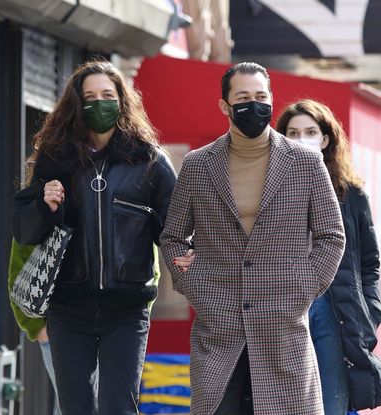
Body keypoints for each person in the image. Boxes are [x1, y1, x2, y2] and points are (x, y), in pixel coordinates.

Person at [160, 62, 346, 415]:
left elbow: (331, 236)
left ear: (272, 100)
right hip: (219, 327)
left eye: (261, 97)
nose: (254, 105)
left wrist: (303, 287)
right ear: (224, 106)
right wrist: (193, 283)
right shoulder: (199, 164)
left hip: (283, 327)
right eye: (243, 98)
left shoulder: (306, 162)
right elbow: (172, 237)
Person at [11, 59, 177, 415]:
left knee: (119, 406)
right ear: (77, 104)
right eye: (89, 97)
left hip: (127, 309)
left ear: (121, 100)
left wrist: (190, 255)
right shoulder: (55, 159)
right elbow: (24, 232)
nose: (99, 104)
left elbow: (175, 229)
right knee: (77, 408)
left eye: (107, 95)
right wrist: (43, 204)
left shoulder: (150, 161)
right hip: (68, 307)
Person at [276, 99, 381, 414]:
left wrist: (370, 311)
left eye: (310, 131)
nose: (301, 139)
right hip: (285, 311)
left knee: (332, 402)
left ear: (325, 140)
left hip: (335, 314)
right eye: (293, 133)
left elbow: (370, 263)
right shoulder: (269, 190)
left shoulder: (351, 194)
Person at [8, 239, 61, 415]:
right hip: (58, 331)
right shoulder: (40, 211)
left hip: (116, 328)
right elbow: (18, 269)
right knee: (71, 406)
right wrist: (37, 328)